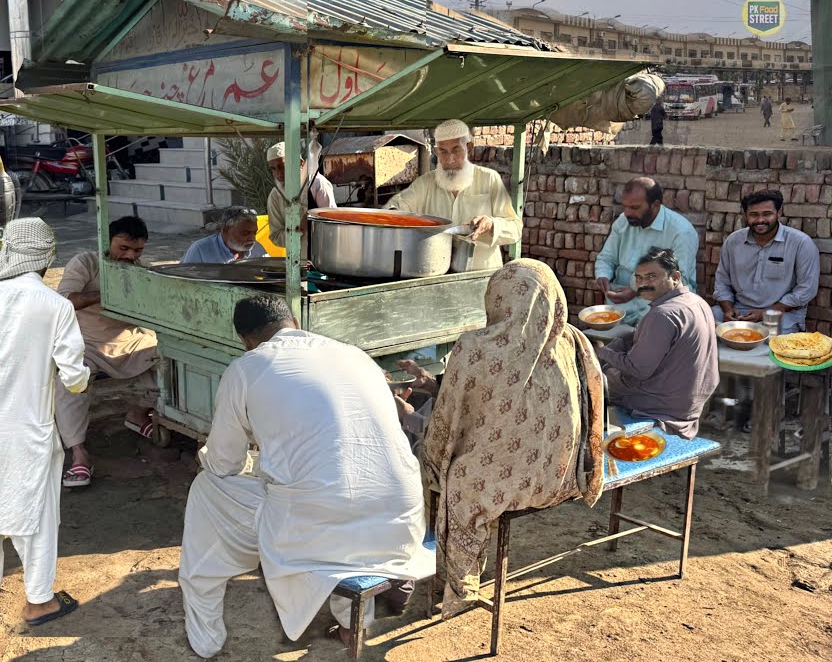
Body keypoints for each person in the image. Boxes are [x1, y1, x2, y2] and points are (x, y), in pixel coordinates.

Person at [179, 295, 428, 657]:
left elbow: (223, 464)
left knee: (206, 489)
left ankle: (205, 636)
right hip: (400, 521)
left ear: (246, 340)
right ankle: (352, 623)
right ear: (294, 321)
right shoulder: (354, 355)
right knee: (334, 486)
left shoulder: (247, 367)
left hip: (318, 527)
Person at [423, 259, 605, 616]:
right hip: (562, 476)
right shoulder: (572, 340)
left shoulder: (475, 347)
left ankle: (454, 581)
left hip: (504, 487)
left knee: (440, 471)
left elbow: (448, 427)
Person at [0, 217, 89, 630]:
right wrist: (79, 378)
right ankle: (38, 602)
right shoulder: (55, 306)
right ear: (47, 256)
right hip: (30, 432)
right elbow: (74, 375)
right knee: (35, 519)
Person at [54, 215, 160, 487]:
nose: (129, 256)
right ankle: (79, 454)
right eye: (123, 248)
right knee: (70, 380)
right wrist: (107, 294)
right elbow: (64, 301)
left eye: (137, 251)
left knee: (171, 361)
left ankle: (137, 414)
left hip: (130, 341)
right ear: (107, 241)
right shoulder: (86, 263)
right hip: (86, 342)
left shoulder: (141, 269)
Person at [599, 248, 719, 439]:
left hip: (663, 403)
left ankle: (598, 447)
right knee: (619, 346)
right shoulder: (696, 301)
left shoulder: (662, 315)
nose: (644, 284)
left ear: (675, 276)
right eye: (639, 278)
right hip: (691, 399)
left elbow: (638, 370)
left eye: (652, 276)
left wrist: (601, 352)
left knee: (596, 378)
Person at [383, 119, 523, 270]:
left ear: (469, 148)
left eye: (456, 150)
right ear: (436, 152)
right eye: (443, 151)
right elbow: (395, 209)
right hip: (436, 276)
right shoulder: (425, 183)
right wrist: (394, 216)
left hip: (483, 278)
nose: (449, 159)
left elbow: (515, 228)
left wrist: (490, 224)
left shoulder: (489, 179)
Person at [594, 177, 699, 325]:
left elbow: (679, 280)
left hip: (662, 303)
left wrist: (636, 289)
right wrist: (603, 276)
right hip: (621, 301)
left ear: (655, 205)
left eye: (635, 207)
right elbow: (606, 258)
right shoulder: (624, 221)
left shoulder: (681, 232)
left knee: (647, 338)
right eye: (625, 206)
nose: (627, 212)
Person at [713, 190, 819, 334]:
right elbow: (722, 282)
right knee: (704, 324)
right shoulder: (733, 241)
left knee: (771, 345)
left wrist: (764, 313)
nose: (760, 220)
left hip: (781, 314)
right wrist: (728, 310)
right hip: (739, 310)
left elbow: (807, 289)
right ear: (745, 214)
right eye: (754, 215)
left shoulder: (800, 243)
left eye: (767, 214)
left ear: (779, 212)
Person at [264, 141, 337, 250]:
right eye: (273, 168)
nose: (278, 173)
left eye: (282, 166)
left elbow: (333, 224)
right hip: (293, 262)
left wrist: (311, 220)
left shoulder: (317, 184)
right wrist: (297, 230)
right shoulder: (275, 195)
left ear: (300, 163)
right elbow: (275, 236)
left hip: (323, 255)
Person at [181, 206, 266, 264]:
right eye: (245, 233)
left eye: (254, 233)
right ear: (226, 230)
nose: (252, 238)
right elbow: (184, 284)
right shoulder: (200, 250)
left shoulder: (257, 248)